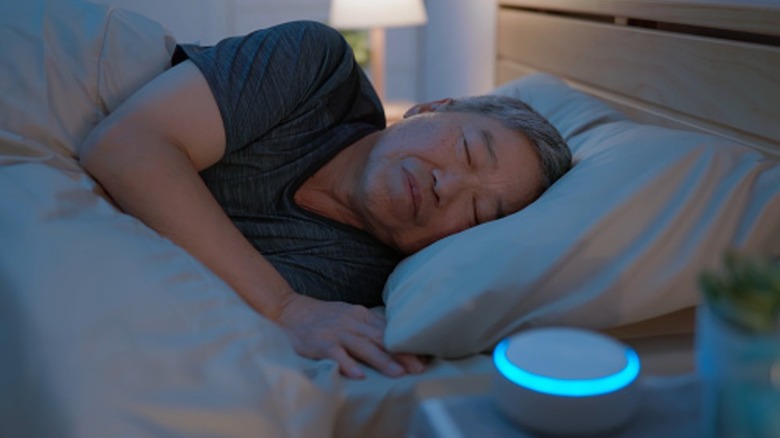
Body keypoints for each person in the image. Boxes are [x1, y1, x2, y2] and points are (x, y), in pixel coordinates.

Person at [78, 20, 571, 379]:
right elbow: (125, 145)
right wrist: (283, 307)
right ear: (431, 108)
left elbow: (166, 290)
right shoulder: (317, 70)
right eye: (466, 149)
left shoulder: (352, 278)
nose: (449, 187)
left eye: (478, 212)